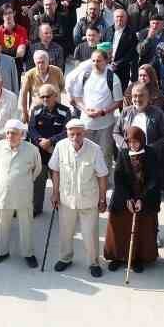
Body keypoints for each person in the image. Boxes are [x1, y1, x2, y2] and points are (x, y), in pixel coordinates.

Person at [50, 116, 108, 276]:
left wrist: (103, 199)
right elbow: (55, 170)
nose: (75, 137)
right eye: (72, 134)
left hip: (89, 200)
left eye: (79, 134)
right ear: (67, 133)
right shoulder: (60, 146)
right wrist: (55, 193)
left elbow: (102, 175)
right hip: (66, 199)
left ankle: (94, 262)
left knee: (89, 234)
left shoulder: (95, 149)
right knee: (65, 232)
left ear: (85, 133)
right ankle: (65, 258)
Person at [105, 122, 162, 274]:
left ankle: (137, 258)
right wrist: (128, 199)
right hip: (124, 197)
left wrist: (142, 199)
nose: (133, 144)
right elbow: (118, 178)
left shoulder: (151, 153)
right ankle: (117, 256)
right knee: (119, 227)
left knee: (141, 229)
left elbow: (154, 179)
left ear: (142, 140)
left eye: (136, 141)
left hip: (145, 197)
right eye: (129, 142)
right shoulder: (123, 154)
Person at [0, 119, 40, 266]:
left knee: (26, 224)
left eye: (14, 133)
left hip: (23, 194)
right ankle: (2, 251)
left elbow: (36, 171)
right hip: (3, 194)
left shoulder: (32, 149)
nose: (10, 136)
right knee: (3, 224)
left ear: (22, 134)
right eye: (8, 133)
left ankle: (28, 253)